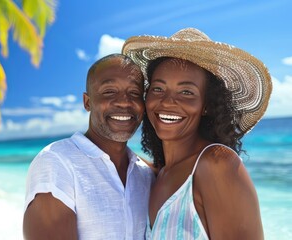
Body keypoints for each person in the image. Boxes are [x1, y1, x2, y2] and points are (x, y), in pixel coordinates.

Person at [122, 28, 271, 239]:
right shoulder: (159, 174)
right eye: (158, 89)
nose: (167, 101)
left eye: (186, 92)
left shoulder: (217, 165)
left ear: (206, 105)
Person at [23, 53, 156, 240]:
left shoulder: (145, 174)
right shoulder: (56, 163)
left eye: (134, 93)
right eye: (109, 92)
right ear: (87, 102)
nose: (124, 101)